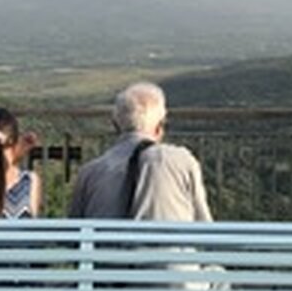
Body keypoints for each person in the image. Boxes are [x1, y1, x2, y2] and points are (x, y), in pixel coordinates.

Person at [69, 82, 211, 221]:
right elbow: (204, 226)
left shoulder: (89, 174)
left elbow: (73, 234)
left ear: (116, 126)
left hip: (106, 245)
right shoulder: (183, 162)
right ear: (159, 127)